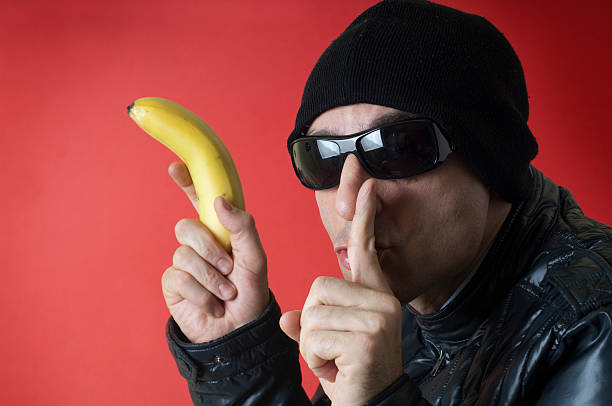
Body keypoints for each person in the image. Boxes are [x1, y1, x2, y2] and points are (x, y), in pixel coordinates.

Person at [161, 0, 612, 405]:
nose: (349, 203)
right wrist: (240, 364)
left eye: (397, 149)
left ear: (491, 162)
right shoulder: (406, 299)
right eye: (323, 159)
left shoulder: (596, 328)